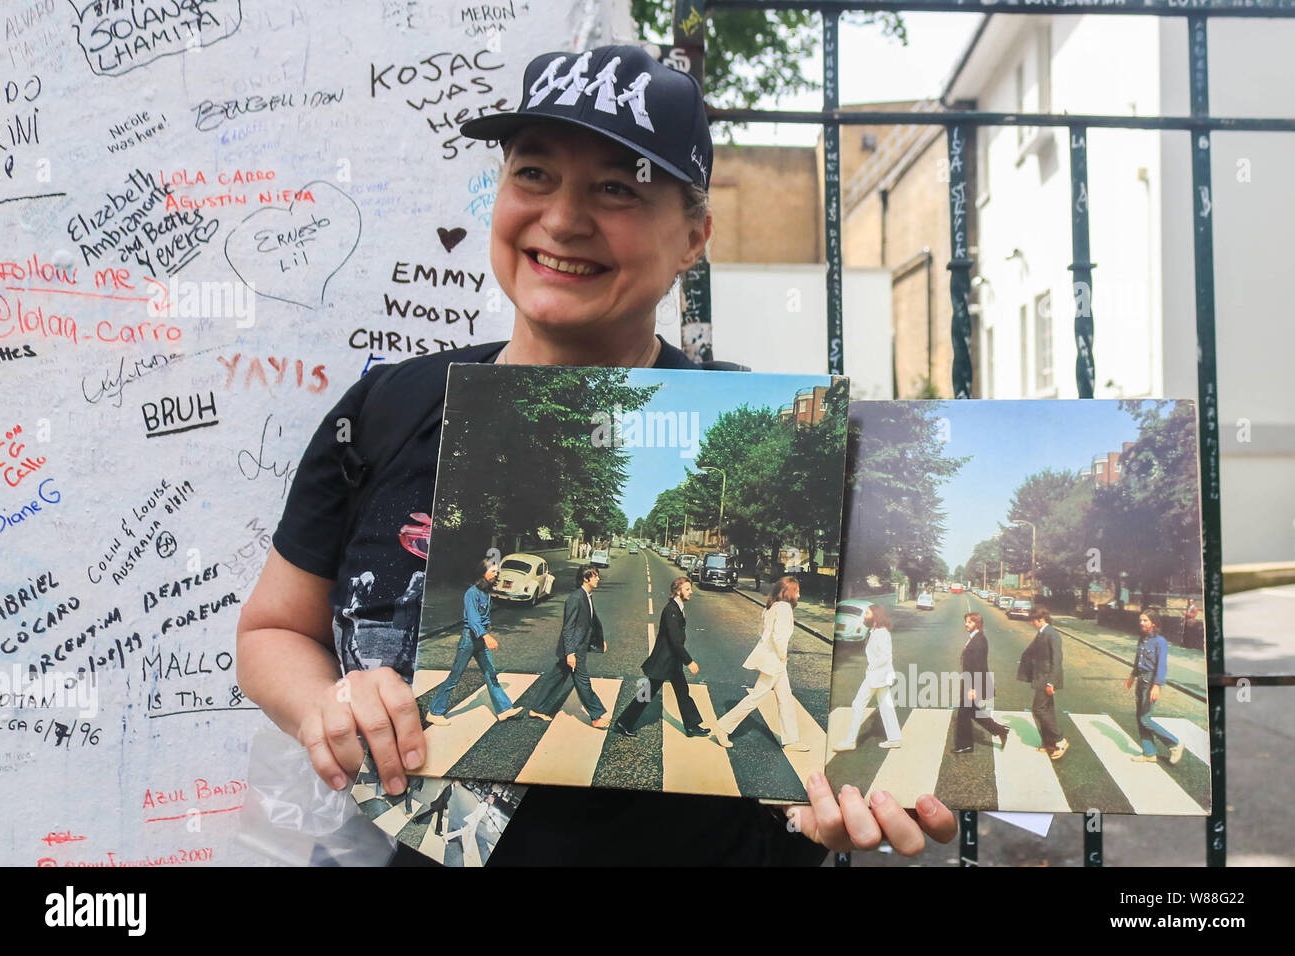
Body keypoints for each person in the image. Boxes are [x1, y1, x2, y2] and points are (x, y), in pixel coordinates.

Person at [236, 43, 954, 864]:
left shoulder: (776, 432)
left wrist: (841, 794)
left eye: (617, 187)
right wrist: (327, 702)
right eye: (534, 173)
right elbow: (270, 631)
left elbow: (847, 694)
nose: (563, 219)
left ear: (694, 237)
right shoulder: (389, 409)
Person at [425, 559, 524, 727]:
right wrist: (486, 635)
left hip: (479, 638)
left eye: (496, 571)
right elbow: (472, 619)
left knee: (490, 673)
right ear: (482, 573)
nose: (496, 574)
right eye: (493, 571)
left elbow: (482, 615)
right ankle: (434, 712)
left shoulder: (485, 592)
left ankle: (504, 709)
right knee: (455, 676)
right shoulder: (472, 592)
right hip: (470, 639)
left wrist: (488, 625)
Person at [715, 576, 809, 752]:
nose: (799, 595)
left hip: (773, 660)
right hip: (775, 662)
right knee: (756, 697)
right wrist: (782, 656)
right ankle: (723, 727)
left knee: (786, 699)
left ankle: (791, 740)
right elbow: (778, 637)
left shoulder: (771, 607)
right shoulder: (784, 608)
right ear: (787, 592)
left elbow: (762, 632)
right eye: (796, 591)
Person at [615, 576, 707, 737]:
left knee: (682, 692)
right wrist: (689, 661)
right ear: (677, 591)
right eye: (687, 589)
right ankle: (623, 723)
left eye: (690, 589)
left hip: (672, 661)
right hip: (665, 661)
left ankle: (692, 726)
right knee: (648, 693)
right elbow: (675, 641)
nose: (691, 592)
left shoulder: (677, 608)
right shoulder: (671, 610)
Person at [525, 565, 609, 727]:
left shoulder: (586, 596)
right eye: (595, 576)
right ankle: (596, 715)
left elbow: (590, 623)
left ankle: (537, 708)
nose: (598, 578)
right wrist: (570, 653)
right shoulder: (576, 598)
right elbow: (569, 627)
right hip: (575, 648)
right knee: (583, 681)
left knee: (556, 678)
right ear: (585, 578)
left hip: (580, 646)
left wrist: (599, 641)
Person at [833, 604, 902, 751]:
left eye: (868, 613)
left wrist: (871, 667)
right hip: (879, 675)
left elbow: (885, 656)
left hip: (877, 676)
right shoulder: (876, 631)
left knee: (858, 704)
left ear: (876, 616)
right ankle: (895, 738)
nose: (865, 615)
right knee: (886, 705)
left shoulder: (881, 633)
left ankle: (850, 741)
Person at [1126, 609, 1185, 764]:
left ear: (1153, 623)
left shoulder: (1160, 641)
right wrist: (1132, 675)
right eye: (1140, 620)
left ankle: (1174, 744)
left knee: (1145, 719)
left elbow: (1162, 666)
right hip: (1141, 681)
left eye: (1145, 620)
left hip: (1151, 682)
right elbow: (1138, 660)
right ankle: (1149, 753)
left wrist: (1157, 685)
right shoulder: (1142, 639)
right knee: (1140, 718)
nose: (1142, 623)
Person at [951, 612, 1009, 754]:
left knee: (964, 713)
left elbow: (978, 666)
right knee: (971, 711)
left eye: (970, 622)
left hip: (973, 682)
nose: (966, 624)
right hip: (970, 680)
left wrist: (972, 688)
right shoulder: (976, 638)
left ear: (977, 624)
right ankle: (1000, 730)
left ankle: (965, 745)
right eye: (966, 621)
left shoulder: (978, 640)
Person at [1019, 605, 1068, 760]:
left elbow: (1057, 660)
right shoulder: (1042, 633)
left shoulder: (1051, 634)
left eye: (1033, 621)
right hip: (1041, 677)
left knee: (1038, 709)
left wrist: (1051, 683)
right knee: (1048, 710)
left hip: (1046, 679)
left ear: (1041, 619)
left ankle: (1060, 739)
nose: (1031, 623)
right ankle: (1050, 744)